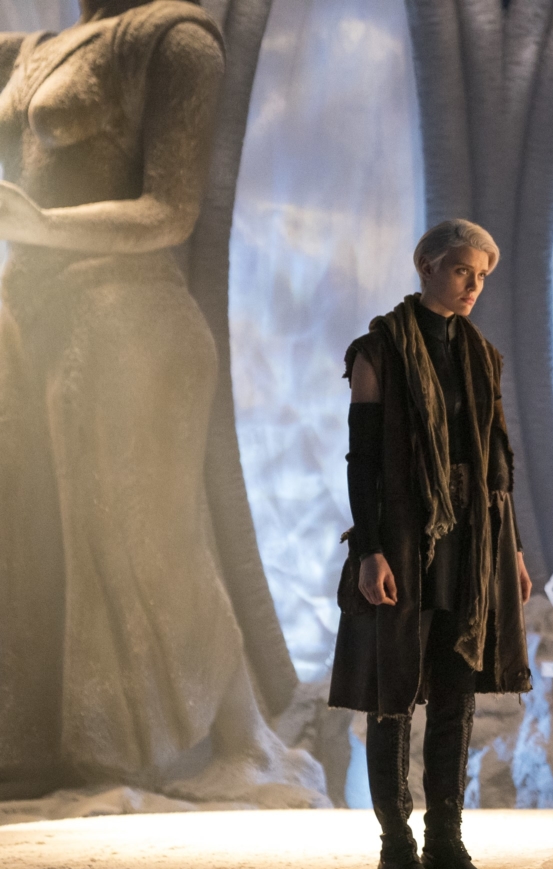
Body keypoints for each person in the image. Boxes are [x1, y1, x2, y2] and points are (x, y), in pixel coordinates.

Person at [0, 0, 325, 804]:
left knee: (142, 541)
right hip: (29, 316)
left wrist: (38, 227)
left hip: (126, 318)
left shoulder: (175, 40)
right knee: (33, 535)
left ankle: (234, 744)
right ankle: (43, 753)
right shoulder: (30, 49)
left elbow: (170, 212)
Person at [331, 219, 532, 869]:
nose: (473, 286)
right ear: (428, 267)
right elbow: (363, 460)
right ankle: (397, 851)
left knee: (455, 692)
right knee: (394, 692)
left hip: (470, 543)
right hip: (403, 539)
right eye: (462, 271)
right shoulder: (378, 350)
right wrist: (370, 549)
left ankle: (447, 845)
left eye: (483, 276)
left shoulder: (481, 355)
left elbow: (497, 460)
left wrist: (512, 550)